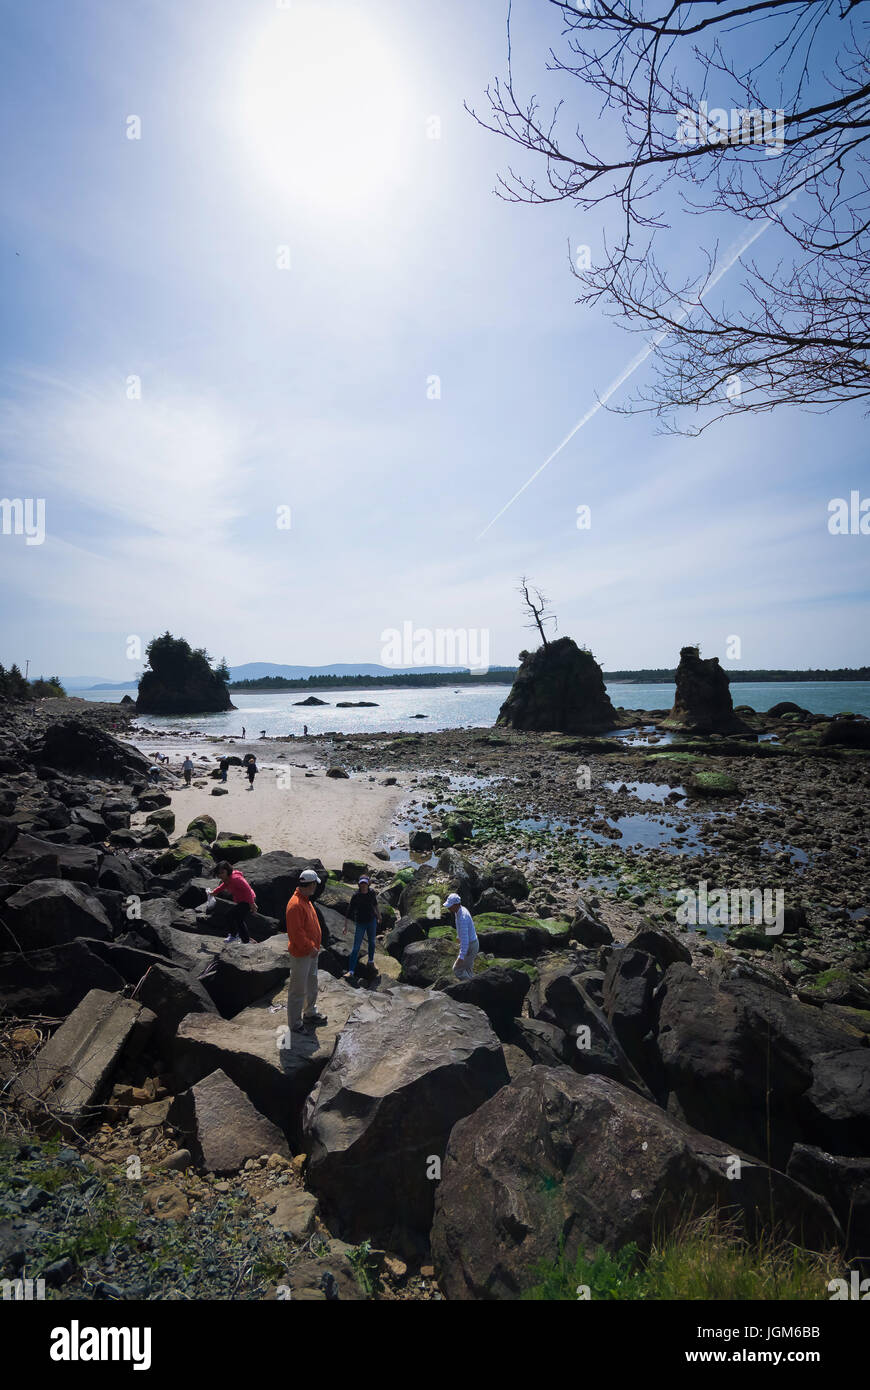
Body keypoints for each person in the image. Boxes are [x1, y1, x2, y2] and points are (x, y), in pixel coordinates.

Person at [285, 869, 327, 1032]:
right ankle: (295, 1024)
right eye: (314, 884)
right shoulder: (295, 904)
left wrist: (314, 947)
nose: (316, 887)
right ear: (308, 885)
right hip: (302, 953)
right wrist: (310, 948)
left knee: (311, 983)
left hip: (310, 952)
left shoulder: (305, 900)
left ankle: (310, 1012)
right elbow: (296, 933)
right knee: (297, 989)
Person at [211, 860, 257, 943]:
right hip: (242, 900)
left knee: (231, 916)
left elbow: (247, 890)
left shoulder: (236, 879)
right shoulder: (227, 879)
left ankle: (235, 936)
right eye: (218, 873)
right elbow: (224, 885)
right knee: (238, 919)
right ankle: (243, 939)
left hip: (248, 899)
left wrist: (252, 904)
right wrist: (214, 892)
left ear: (228, 871)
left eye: (222, 872)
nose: (220, 875)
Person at [343, 876, 380, 979]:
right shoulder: (356, 896)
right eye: (361, 884)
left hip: (371, 921)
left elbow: (375, 904)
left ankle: (371, 961)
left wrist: (379, 916)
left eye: (365, 883)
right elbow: (349, 911)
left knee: (372, 942)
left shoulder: (372, 892)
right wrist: (345, 926)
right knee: (356, 948)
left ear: (368, 884)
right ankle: (351, 971)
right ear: (359, 884)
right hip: (360, 923)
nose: (363, 885)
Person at [445, 892, 479, 981]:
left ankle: (472, 986)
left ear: (456, 904)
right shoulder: (460, 910)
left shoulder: (462, 917)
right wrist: (458, 936)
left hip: (470, 946)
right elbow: (462, 931)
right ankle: (474, 987)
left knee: (457, 970)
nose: (448, 907)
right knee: (468, 969)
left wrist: (461, 957)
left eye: (450, 905)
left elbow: (465, 941)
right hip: (474, 943)